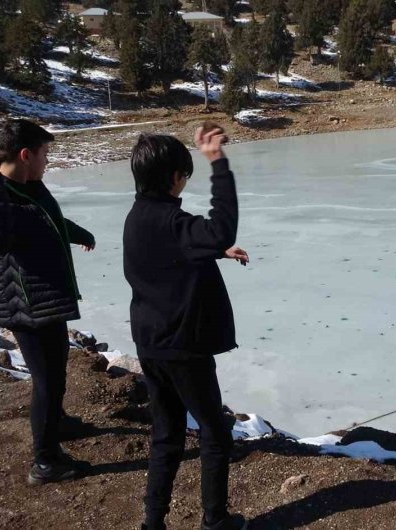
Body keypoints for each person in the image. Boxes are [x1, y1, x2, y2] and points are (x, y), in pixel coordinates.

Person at [123, 126, 249, 530]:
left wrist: (214, 249)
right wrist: (218, 162)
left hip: (151, 344)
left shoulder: (137, 217)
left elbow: (174, 253)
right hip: (183, 349)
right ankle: (215, 521)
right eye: (186, 175)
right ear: (175, 177)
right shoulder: (174, 222)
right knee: (215, 433)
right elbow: (220, 227)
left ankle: (153, 522)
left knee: (168, 434)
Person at [0, 119, 96, 486]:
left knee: (57, 372)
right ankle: (45, 462)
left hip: (46, 298)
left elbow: (47, 220)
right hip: (25, 303)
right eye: (44, 154)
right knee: (46, 380)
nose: (47, 161)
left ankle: (58, 424)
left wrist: (78, 233)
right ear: (25, 155)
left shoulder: (28, 184)